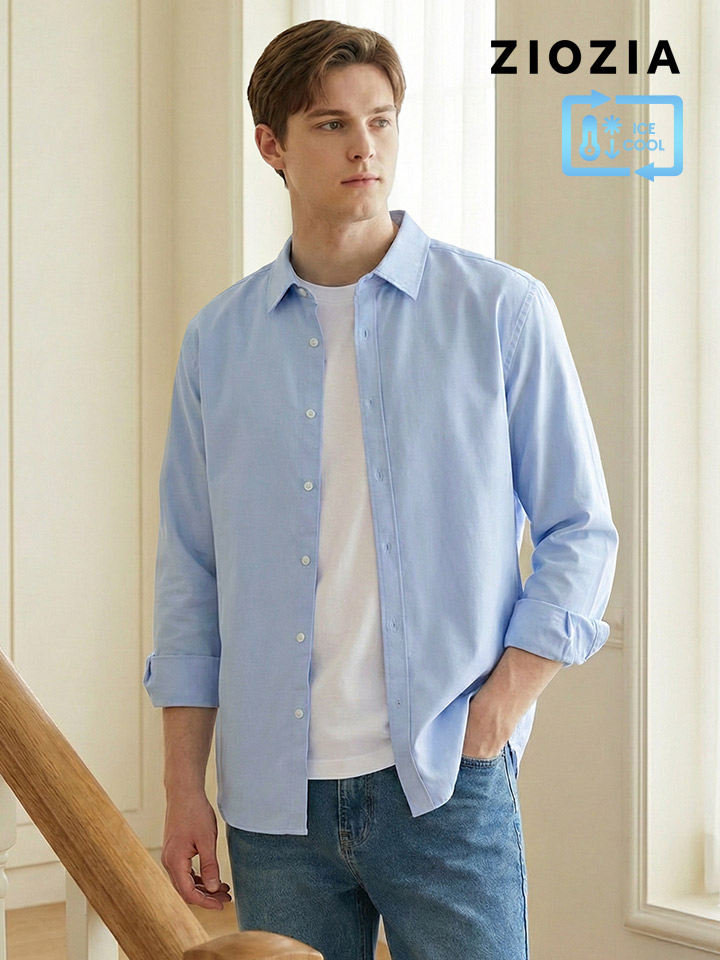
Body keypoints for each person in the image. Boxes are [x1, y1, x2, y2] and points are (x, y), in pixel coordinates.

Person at [143, 18, 619, 960]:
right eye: (331, 124)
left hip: (445, 782)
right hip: (275, 807)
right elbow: (190, 576)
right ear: (272, 146)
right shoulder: (218, 343)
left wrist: (502, 704)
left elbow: (581, 529)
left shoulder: (500, 310)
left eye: (381, 120)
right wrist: (182, 786)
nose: (365, 146)